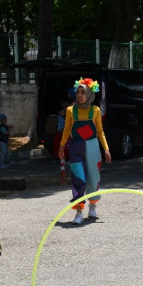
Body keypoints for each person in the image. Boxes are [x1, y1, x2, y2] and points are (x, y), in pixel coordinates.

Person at [58, 77, 111, 225]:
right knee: (78, 179)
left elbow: (100, 131)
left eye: (83, 92)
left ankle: (93, 205)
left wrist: (106, 149)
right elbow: (67, 129)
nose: (80, 95)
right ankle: (79, 212)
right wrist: (61, 146)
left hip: (93, 147)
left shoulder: (95, 110)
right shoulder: (70, 110)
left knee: (93, 178)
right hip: (76, 147)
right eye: (78, 92)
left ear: (89, 94)